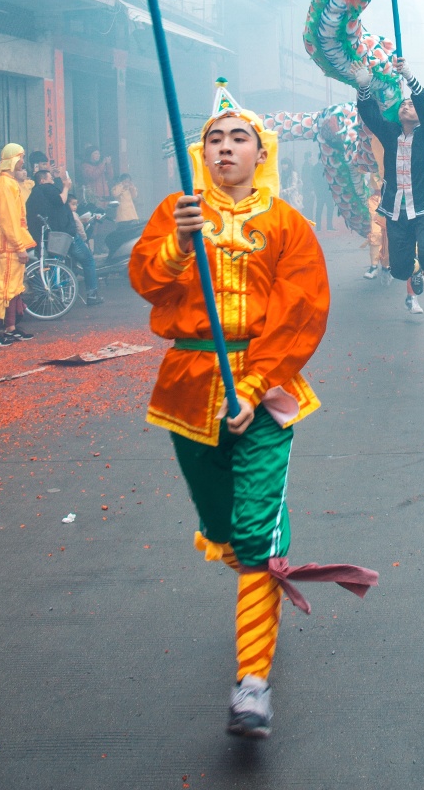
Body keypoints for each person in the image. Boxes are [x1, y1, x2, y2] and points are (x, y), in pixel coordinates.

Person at [129, 85, 376, 739]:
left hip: (264, 393)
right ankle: (261, 543)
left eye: (239, 138)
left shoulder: (287, 224)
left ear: (260, 152)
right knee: (223, 529)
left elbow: (305, 310)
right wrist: (179, 246)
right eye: (215, 138)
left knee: (252, 536)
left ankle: (251, 684)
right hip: (188, 389)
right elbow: (146, 282)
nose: (226, 147)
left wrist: (257, 379)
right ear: (200, 153)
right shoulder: (176, 212)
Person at [354, 55, 424, 335]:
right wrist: (364, 88)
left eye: (411, 105)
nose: (407, 106)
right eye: (404, 105)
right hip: (396, 210)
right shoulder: (389, 134)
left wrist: (410, 78)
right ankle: (416, 271)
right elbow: (370, 115)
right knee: (399, 270)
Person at [0, 143, 36, 346]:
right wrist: (19, 246)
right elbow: (8, 219)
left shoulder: (9, 182)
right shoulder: (4, 184)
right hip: (9, 244)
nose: (23, 161)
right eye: (21, 157)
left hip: (13, 242)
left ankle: (10, 328)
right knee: (4, 290)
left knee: (14, 288)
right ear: (13, 159)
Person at [26, 170, 103, 305]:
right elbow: (61, 200)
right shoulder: (46, 188)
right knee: (88, 260)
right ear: (42, 181)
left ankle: (54, 297)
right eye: (50, 178)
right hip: (64, 234)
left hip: (46, 237)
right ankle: (92, 295)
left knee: (54, 264)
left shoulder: (32, 196)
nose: (52, 181)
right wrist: (66, 187)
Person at [364, 170, 389, 278]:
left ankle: (387, 264)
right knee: (375, 232)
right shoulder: (370, 162)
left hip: (391, 200)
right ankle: (373, 266)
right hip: (375, 201)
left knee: (389, 234)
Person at [313, 160, 334, 233]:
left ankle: (329, 226)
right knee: (319, 210)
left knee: (330, 208)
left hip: (327, 192)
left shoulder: (326, 167)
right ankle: (319, 227)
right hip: (321, 193)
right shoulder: (316, 168)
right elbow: (314, 181)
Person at [301, 152, 316, 220]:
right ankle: (309, 219)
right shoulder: (309, 166)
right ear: (308, 157)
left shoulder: (305, 165)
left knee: (306, 205)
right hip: (308, 189)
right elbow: (309, 179)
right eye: (311, 156)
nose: (312, 158)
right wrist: (311, 189)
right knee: (309, 205)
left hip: (306, 189)